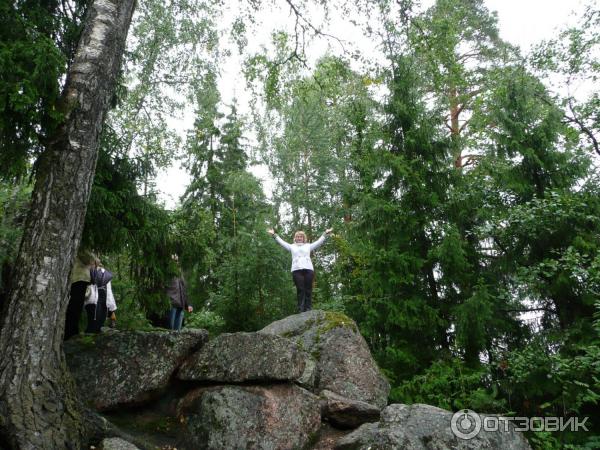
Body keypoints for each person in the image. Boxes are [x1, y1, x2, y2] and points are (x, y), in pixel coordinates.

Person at [268, 228, 333, 312]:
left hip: (308, 269)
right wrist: (274, 235)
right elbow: (282, 242)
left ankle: (308, 308)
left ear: (303, 238)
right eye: (297, 237)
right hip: (296, 270)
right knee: (300, 289)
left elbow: (318, 242)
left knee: (308, 289)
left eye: (301, 237)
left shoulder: (308, 246)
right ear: (295, 238)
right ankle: (301, 309)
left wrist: (325, 233)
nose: (299, 238)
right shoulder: (291, 246)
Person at [64, 250, 95, 340]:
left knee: (75, 307)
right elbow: (89, 259)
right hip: (78, 278)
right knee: (75, 307)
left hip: (77, 278)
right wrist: (94, 259)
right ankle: (71, 333)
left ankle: (71, 331)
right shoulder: (81, 242)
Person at [84, 260, 117, 333]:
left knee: (100, 323)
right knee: (93, 323)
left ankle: (92, 341)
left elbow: (109, 292)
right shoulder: (90, 271)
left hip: (104, 301)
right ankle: (87, 340)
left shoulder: (106, 274)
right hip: (93, 300)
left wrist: (112, 310)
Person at [166, 254, 193, 330]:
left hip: (180, 306)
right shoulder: (167, 272)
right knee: (169, 329)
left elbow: (183, 290)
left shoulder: (180, 273)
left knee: (178, 332)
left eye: (177, 261)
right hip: (171, 304)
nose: (176, 262)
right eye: (174, 261)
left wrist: (188, 305)